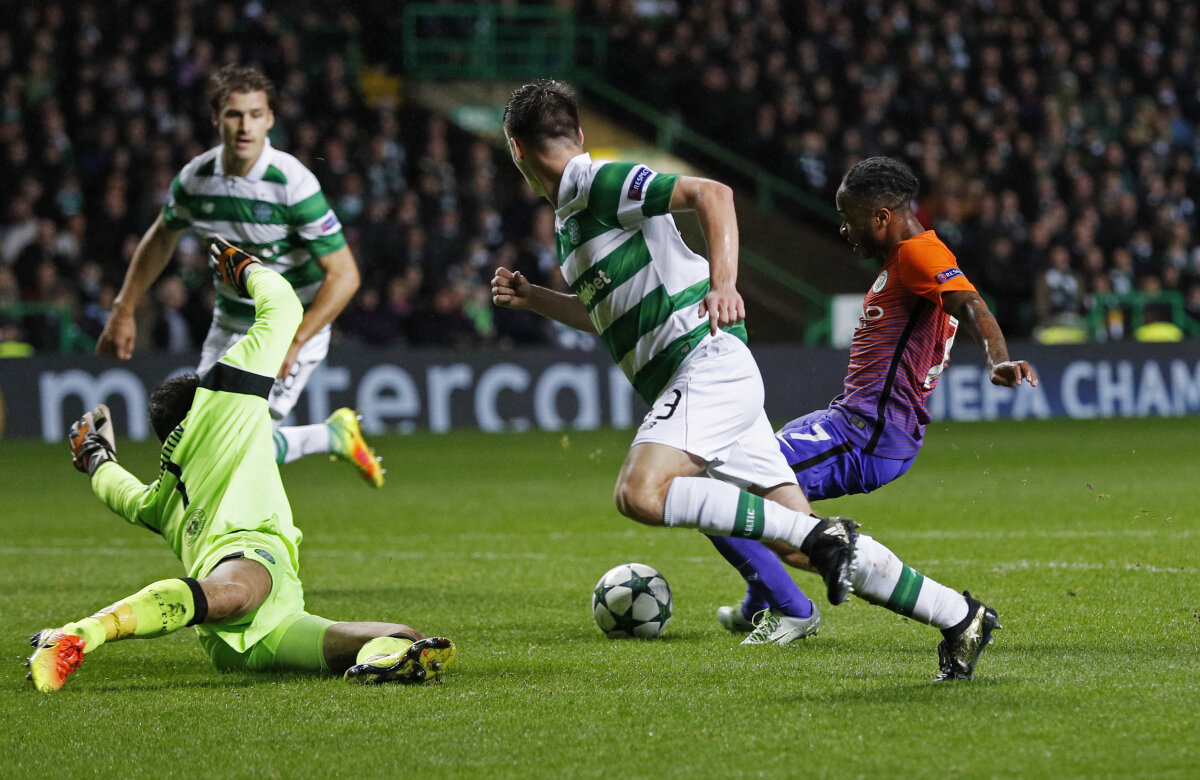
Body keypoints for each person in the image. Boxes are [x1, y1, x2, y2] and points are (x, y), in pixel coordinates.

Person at [492, 81, 996, 681]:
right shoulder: (573, 222)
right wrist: (536, 300)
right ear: (575, 130)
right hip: (708, 377)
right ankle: (959, 614)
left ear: (517, 151)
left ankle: (824, 539)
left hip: (703, 364)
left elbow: (713, 193)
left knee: (641, 494)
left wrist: (724, 283)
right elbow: (608, 319)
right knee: (792, 542)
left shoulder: (589, 180)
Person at [28, 239, 454, 692]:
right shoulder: (222, 403)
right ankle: (78, 634)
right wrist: (243, 266)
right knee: (239, 589)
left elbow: (119, 492)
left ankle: (384, 663)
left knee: (402, 638)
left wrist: (95, 456)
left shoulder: (162, 500)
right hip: (247, 571)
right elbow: (285, 307)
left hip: (272, 627)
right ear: (203, 401)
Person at [711, 158, 1035, 670]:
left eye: (849, 216)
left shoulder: (918, 253)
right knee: (753, 486)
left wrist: (998, 358)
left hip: (865, 433)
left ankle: (791, 608)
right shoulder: (905, 261)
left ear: (882, 216)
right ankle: (762, 603)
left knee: (721, 491)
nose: (844, 228)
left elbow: (972, 306)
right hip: (851, 421)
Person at [94, 64, 384, 488]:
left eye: (254, 114)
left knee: (233, 442)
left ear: (270, 119)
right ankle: (332, 436)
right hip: (229, 323)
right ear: (216, 119)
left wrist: (296, 339)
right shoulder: (196, 179)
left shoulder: (292, 183)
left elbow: (345, 275)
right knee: (205, 437)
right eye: (234, 114)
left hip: (290, 324)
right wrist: (124, 308)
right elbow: (160, 239)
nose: (245, 125)